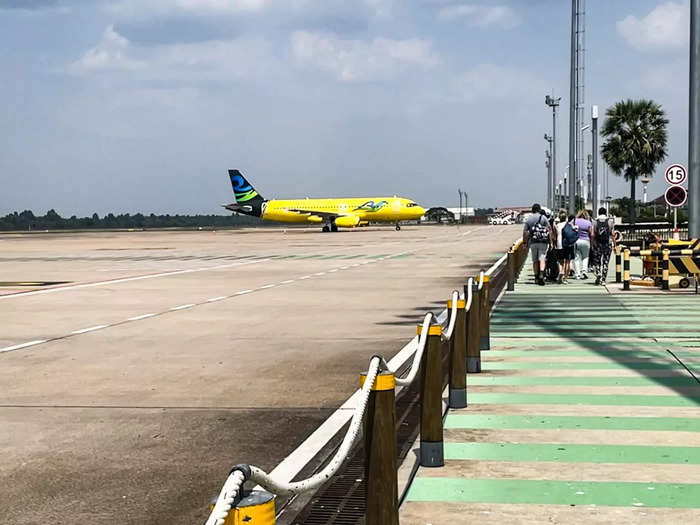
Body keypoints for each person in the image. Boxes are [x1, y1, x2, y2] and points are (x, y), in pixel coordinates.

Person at [523, 203, 552, 286]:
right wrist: (551, 242)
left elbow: (525, 232)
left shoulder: (529, 219)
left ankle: (536, 277)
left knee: (535, 260)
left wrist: (525, 243)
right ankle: (542, 274)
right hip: (543, 241)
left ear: (532, 210)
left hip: (533, 242)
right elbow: (549, 230)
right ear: (539, 209)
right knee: (542, 259)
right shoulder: (544, 218)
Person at [592, 207, 616, 285]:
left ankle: (598, 272)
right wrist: (615, 245)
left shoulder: (594, 221)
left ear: (598, 213)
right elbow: (612, 234)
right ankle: (603, 280)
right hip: (607, 244)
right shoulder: (610, 221)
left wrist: (592, 243)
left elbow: (592, 234)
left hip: (598, 243)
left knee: (597, 260)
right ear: (605, 213)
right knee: (606, 262)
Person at [554, 211, 575, 284]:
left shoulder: (557, 225)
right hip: (568, 245)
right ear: (566, 218)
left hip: (559, 245)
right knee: (568, 262)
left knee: (560, 261)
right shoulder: (569, 224)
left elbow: (554, 235)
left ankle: (561, 272)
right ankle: (565, 278)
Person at [573, 210, 594, 279]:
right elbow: (592, 234)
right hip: (586, 241)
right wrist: (592, 242)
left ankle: (577, 274)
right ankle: (584, 271)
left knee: (576, 258)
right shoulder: (588, 222)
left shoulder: (574, 221)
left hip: (576, 241)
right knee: (585, 257)